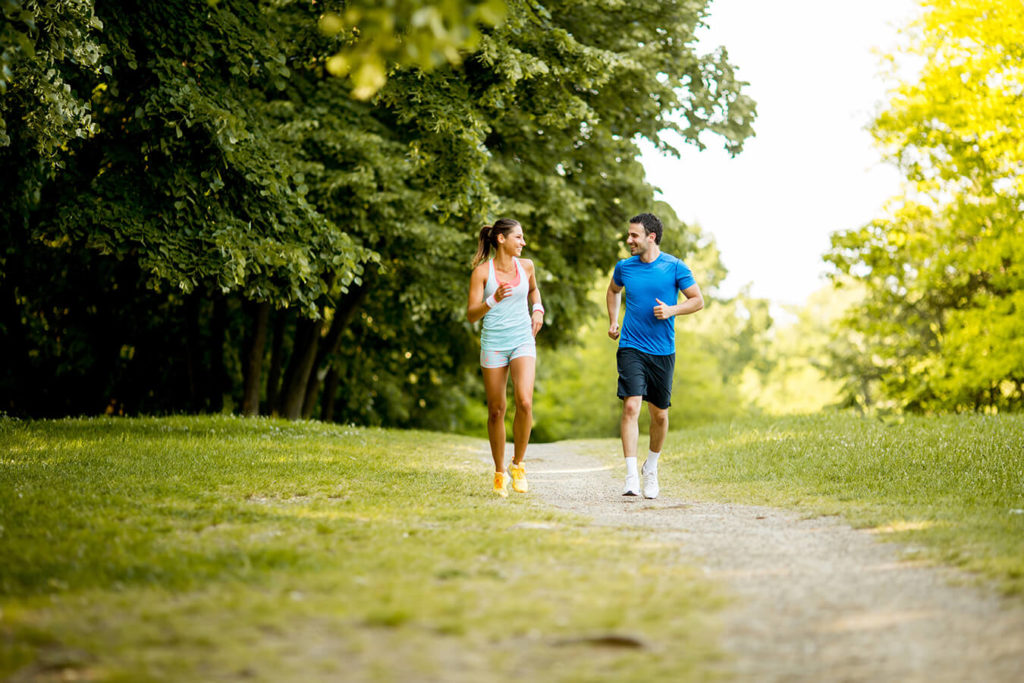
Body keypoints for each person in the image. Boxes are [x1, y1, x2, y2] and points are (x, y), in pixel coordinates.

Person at [606, 213, 703, 499]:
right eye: (629, 235)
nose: (629, 240)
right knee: (631, 406)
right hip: (631, 345)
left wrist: (672, 310)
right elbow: (613, 292)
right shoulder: (625, 267)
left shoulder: (674, 267)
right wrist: (613, 320)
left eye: (634, 235)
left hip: (663, 350)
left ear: (652, 237)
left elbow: (697, 300)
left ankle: (652, 467)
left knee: (659, 415)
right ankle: (631, 476)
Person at [467, 218, 545, 497]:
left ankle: (518, 465)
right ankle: (499, 472)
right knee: (496, 410)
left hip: (522, 339)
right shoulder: (481, 273)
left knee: (524, 401)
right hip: (494, 343)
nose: (523, 243)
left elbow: (534, 290)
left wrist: (538, 308)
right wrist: (493, 299)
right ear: (501, 239)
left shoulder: (527, 267)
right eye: (519, 238)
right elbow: (472, 314)